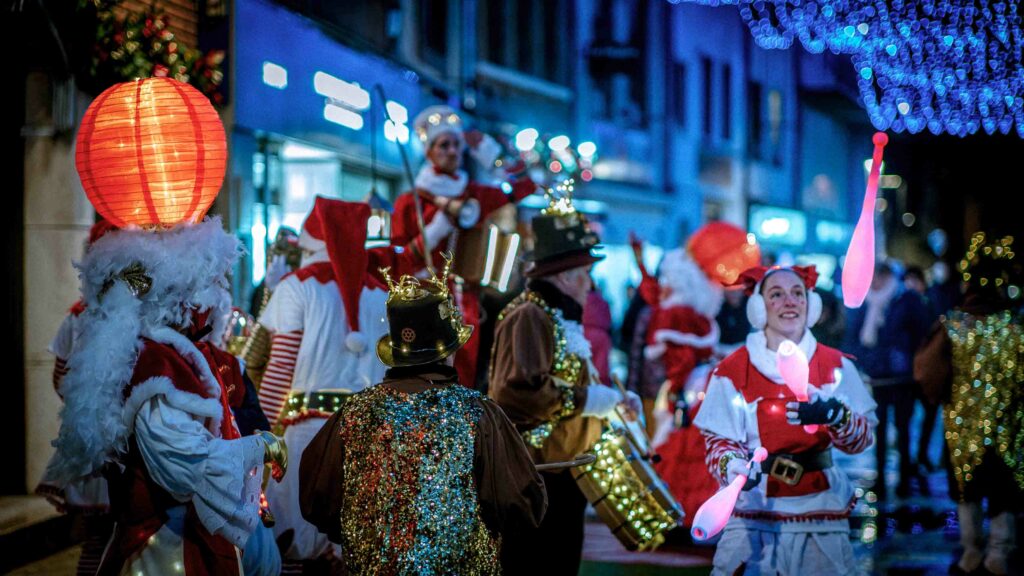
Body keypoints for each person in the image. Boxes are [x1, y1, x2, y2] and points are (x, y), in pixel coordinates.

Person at [45, 217, 287, 574]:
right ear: (181, 295)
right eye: (209, 282)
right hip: (168, 549)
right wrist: (261, 446)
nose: (218, 294)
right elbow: (186, 466)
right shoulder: (156, 365)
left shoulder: (189, 354)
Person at [298, 256, 547, 574]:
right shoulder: (479, 415)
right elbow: (523, 506)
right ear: (451, 351)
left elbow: (317, 500)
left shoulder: (351, 413)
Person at [489, 193, 640, 574]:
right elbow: (516, 392)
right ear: (564, 277)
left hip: (561, 470)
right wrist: (590, 399)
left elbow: (566, 384)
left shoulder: (553, 318)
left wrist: (612, 402)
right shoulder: (529, 316)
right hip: (537, 475)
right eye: (585, 274)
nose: (590, 284)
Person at [694, 265, 876, 575]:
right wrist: (734, 466)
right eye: (776, 294)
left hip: (820, 512)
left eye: (797, 293)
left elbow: (860, 441)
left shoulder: (837, 366)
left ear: (811, 303)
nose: (789, 302)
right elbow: (718, 443)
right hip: (754, 513)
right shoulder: (733, 369)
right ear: (758, 306)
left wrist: (836, 415)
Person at [256, 197, 393, 570]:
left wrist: (257, 437)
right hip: (369, 432)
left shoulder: (296, 286)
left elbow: (279, 369)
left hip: (306, 437)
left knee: (293, 537)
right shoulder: (381, 294)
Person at [391, 105, 537, 388]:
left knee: (464, 378)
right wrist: (435, 231)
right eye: (444, 145)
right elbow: (397, 261)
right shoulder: (410, 202)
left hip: (464, 303)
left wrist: (491, 155)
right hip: (419, 304)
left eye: (457, 145)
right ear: (429, 151)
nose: (452, 151)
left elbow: (525, 186)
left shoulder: (474, 194)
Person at [914, 232, 1023, 576]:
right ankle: (999, 554)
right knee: (1005, 489)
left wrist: (941, 395)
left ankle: (972, 552)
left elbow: (926, 372)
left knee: (967, 488)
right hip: (1009, 427)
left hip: (963, 429)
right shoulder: (1016, 328)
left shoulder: (952, 325)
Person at [35, 218, 117, 576]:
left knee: (98, 540)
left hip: (87, 441)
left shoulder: (77, 316)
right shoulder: (135, 316)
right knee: (111, 538)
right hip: (116, 445)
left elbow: (59, 377)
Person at [629, 238, 722, 528]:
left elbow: (682, 359)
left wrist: (678, 388)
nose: (664, 284)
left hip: (687, 390)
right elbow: (654, 294)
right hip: (683, 388)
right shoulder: (681, 309)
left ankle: (679, 513)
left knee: (681, 449)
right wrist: (641, 263)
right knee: (674, 446)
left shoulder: (678, 314)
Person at [845, 261, 931, 499]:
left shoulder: (907, 299)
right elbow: (855, 335)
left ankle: (904, 478)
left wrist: (910, 360)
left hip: (902, 376)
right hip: (877, 375)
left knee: (903, 427)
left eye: (879, 276)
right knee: (879, 427)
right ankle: (881, 478)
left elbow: (921, 333)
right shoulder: (867, 301)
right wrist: (864, 361)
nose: (875, 282)